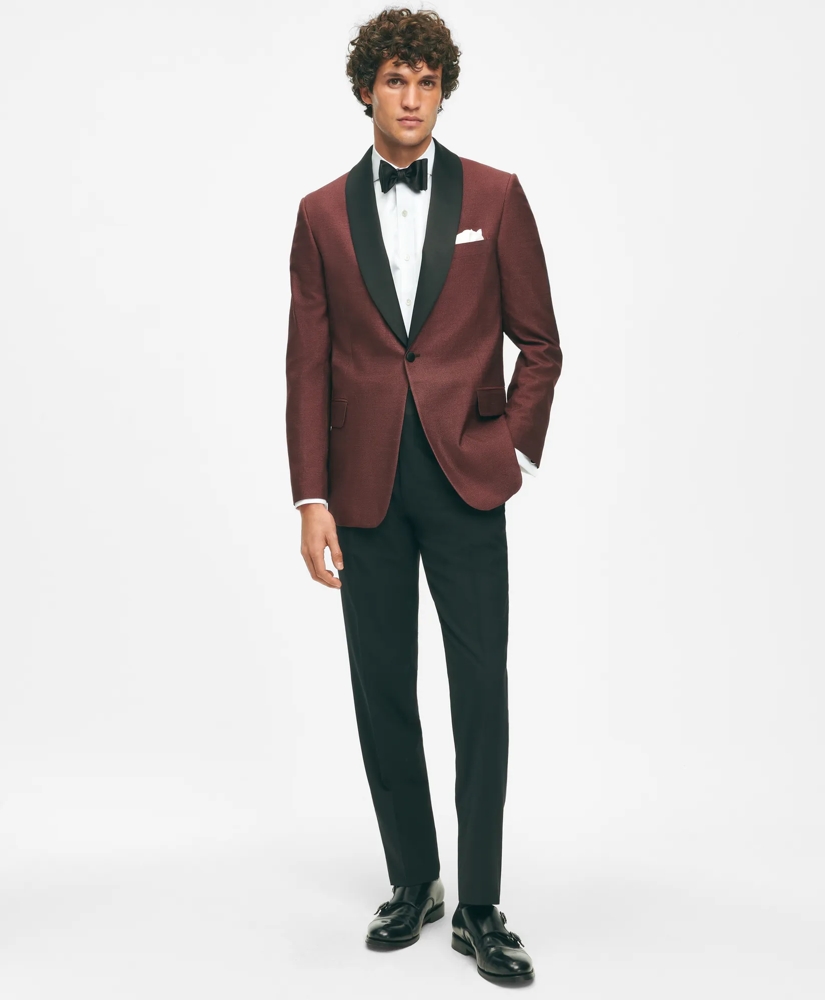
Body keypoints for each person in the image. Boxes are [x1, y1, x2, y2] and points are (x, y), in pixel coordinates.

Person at [285, 6, 562, 986]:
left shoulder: (496, 195)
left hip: (464, 480)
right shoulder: (321, 214)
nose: (411, 98)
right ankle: (414, 878)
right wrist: (309, 498)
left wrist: (507, 443)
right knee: (381, 686)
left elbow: (541, 342)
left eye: (426, 82)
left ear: (443, 92)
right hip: (361, 487)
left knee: (481, 688)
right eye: (394, 80)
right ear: (365, 89)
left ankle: (479, 902)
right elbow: (307, 365)